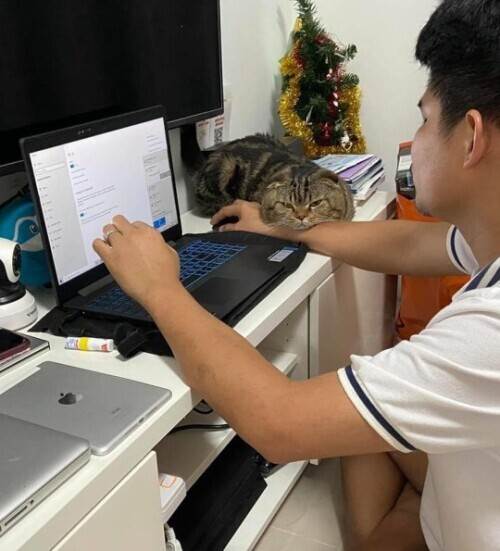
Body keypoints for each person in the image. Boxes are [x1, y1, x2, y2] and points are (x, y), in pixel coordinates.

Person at [93, 1, 500, 549]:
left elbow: (280, 424)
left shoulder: (489, 334)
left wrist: (159, 288)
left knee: (345, 413)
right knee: (369, 405)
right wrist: (288, 228)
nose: (416, 136)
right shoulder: (489, 237)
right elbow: (412, 242)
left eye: (425, 119)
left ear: (471, 137)